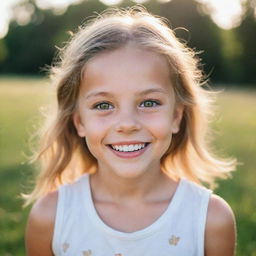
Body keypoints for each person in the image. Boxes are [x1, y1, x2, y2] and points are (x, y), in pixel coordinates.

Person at [25, 6, 237, 256]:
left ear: (176, 116)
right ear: (79, 122)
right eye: (103, 105)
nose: (127, 124)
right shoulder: (50, 217)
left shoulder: (209, 220)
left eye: (149, 103)